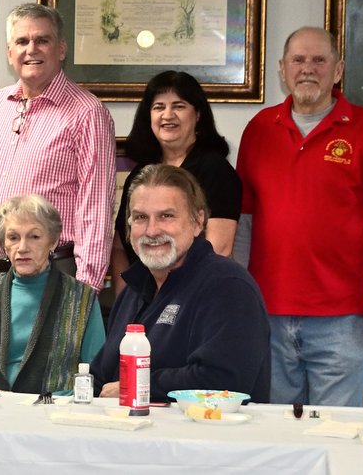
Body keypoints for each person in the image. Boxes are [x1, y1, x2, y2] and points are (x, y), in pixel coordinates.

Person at [234, 26, 363, 407]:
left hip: (342, 320)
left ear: (338, 69)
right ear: (282, 69)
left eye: (319, 60)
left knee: (339, 436)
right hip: (268, 314)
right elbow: (243, 222)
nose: (307, 68)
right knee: (277, 440)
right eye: (298, 59)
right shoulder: (259, 130)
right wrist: (239, 294)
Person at [93, 164, 271, 402]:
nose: (152, 230)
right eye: (140, 218)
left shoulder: (228, 287)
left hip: (204, 435)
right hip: (130, 433)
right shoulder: (132, 292)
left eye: (166, 216)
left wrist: (137, 385)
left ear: (198, 221)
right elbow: (102, 376)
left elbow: (223, 381)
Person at [0, 3, 115, 292]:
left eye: (42, 40)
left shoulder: (87, 113)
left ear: (61, 49)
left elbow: (96, 209)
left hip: (54, 275)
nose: (31, 49)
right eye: (22, 41)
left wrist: (85, 292)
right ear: (9, 52)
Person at [0, 194, 104, 394]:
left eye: (34, 236)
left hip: (54, 413)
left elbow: (95, 376)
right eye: (13, 237)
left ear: (53, 242)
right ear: (3, 245)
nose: (23, 247)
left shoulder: (82, 298)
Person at [111, 71, 241, 296]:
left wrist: (175, 304)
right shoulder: (139, 175)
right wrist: (126, 301)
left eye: (179, 106)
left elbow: (219, 248)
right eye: (158, 107)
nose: (167, 115)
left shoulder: (216, 171)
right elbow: (120, 247)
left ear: (198, 114)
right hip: (143, 301)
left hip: (194, 301)